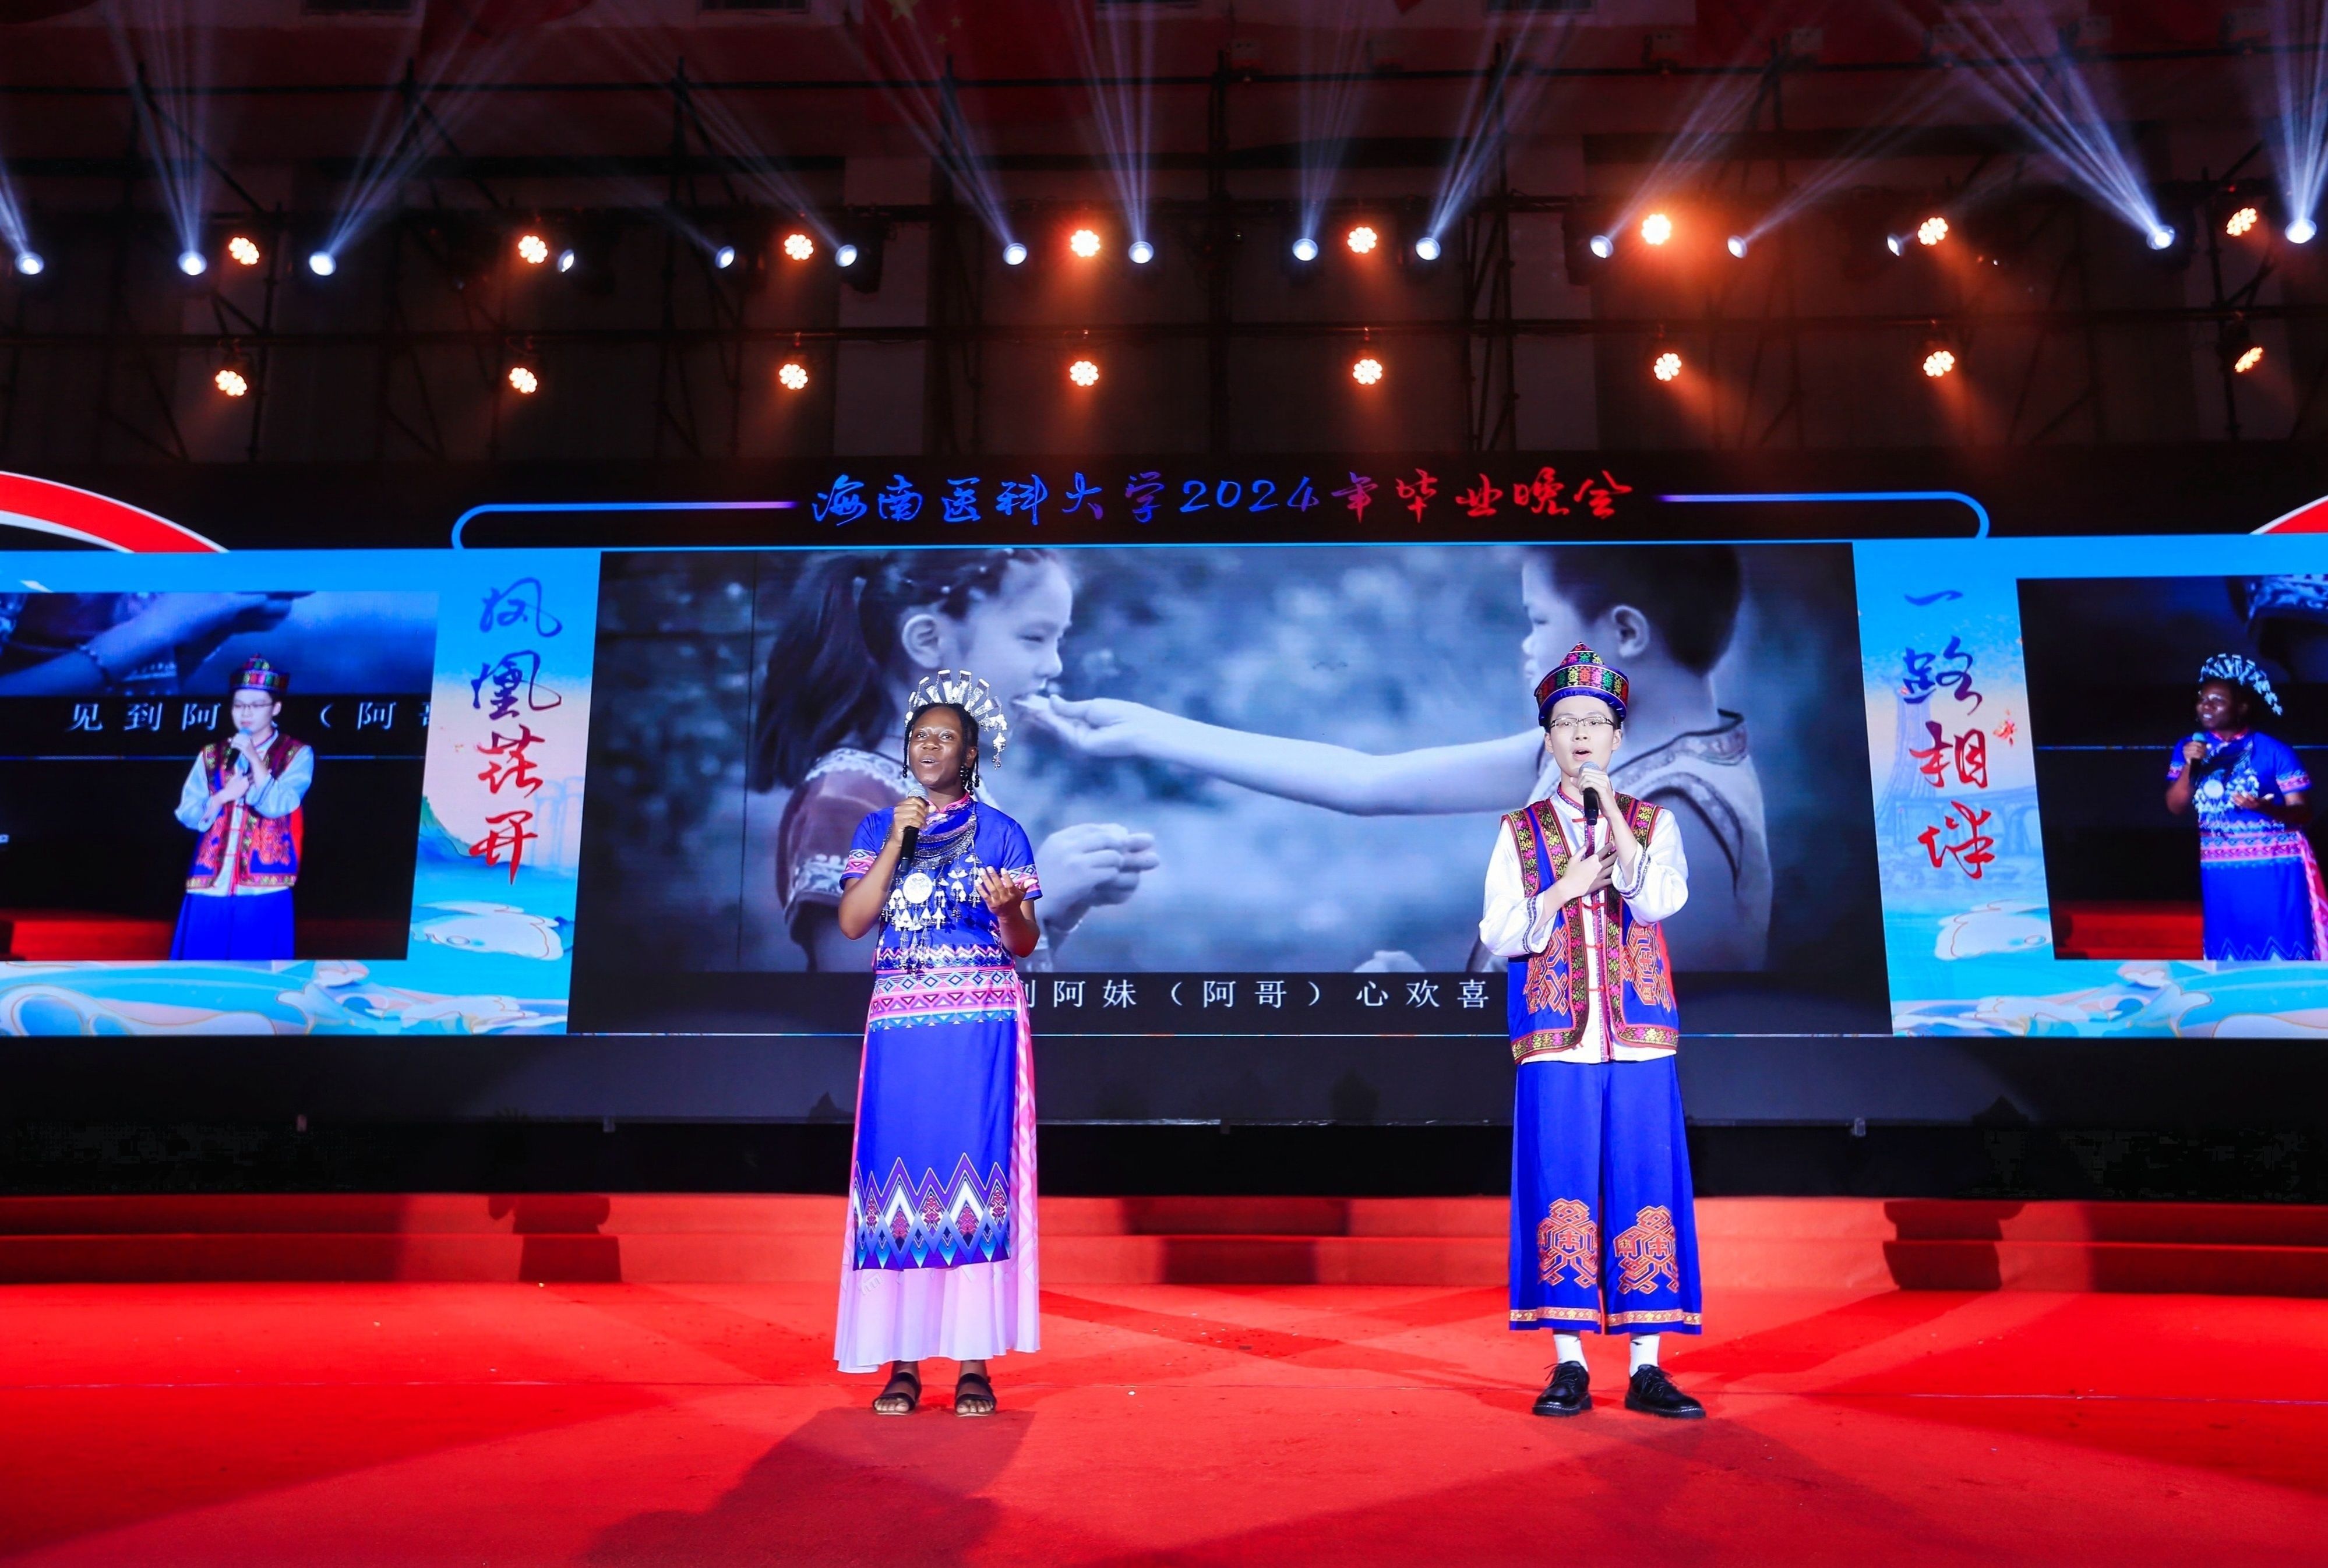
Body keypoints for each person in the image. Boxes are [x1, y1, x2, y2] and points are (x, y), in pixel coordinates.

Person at [1031, 545, 1769, 971]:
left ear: (1627, 634)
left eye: (1540, 621)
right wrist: (1144, 729)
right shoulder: (1595, 754)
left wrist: (1447, 1015)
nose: (1528, 647)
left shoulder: (1680, 821)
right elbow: (1367, 781)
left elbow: (1632, 1047)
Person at [1479, 642, 1706, 1420]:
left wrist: (1612, 815)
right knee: (1560, 1187)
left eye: (1595, 722)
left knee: (1647, 1187)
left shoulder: (1651, 822)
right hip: (1557, 1039)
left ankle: (1648, 1365)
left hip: (1639, 1038)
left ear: (1617, 736)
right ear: (1547, 737)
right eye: (1565, 722)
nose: (1581, 735)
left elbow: (1660, 902)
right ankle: (1569, 1360)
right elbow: (1498, 929)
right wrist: (1564, 889)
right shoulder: (1520, 831)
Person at [753, 549, 1158, 970]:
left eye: (1058, 641)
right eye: (1034, 638)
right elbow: (858, 987)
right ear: (928, 641)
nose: (1053, 666)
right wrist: (1032, 901)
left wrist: (1060, 910)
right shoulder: (848, 798)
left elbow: (1002, 977)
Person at [833, 672, 1042, 1418]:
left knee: (974, 1175)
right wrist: (897, 840)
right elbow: (853, 922)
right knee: (895, 1173)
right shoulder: (877, 828)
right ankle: (902, 1362)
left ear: (970, 752)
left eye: (944, 737)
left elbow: (1023, 941)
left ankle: (974, 1363)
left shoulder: (1003, 832)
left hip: (979, 1024)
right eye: (920, 736)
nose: (929, 747)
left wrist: (1010, 911)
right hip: (900, 1024)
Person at [2164, 653, 2326, 961]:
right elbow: (2176, 806)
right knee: (2230, 947)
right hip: (2220, 866)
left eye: (2217, 701)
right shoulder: (2188, 748)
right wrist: (2190, 765)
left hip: (2274, 865)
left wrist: (2266, 809)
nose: (2205, 706)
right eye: (2202, 699)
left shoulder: (2273, 750)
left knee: (2282, 946)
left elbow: (2304, 812)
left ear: (2242, 707)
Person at [168, 656, 313, 961]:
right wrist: (222, 796)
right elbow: (187, 811)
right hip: (210, 882)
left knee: (255, 967)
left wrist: (254, 758)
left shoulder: (296, 754)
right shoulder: (211, 754)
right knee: (200, 966)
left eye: (256, 705)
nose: (246, 713)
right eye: (239, 705)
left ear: (276, 708)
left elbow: (280, 805)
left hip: (263, 885)